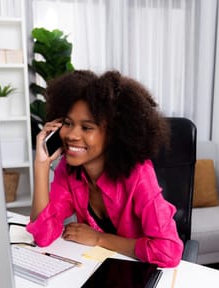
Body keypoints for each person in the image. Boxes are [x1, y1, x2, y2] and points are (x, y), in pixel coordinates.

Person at [26, 70, 183, 268]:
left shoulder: (138, 173)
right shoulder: (69, 169)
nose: (72, 135)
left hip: (138, 273)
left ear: (112, 133)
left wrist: (100, 239)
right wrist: (41, 165)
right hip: (93, 268)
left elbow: (167, 252)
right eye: (67, 123)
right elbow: (43, 235)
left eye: (87, 127)